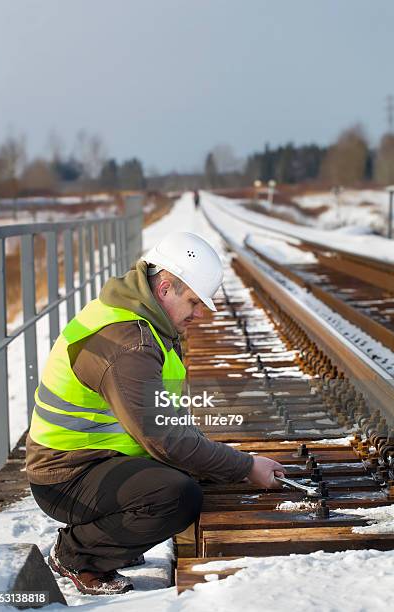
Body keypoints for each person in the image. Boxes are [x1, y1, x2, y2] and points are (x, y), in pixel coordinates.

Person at [26, 231, 285, 595]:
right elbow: (167, 441)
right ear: (165, 288)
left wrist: (229, 465)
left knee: (204, 470)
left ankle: (111, 540)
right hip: (64, 477)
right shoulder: (128, 343)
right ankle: (78, 553)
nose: (197, 314)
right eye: (194, 303)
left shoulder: (147, 322)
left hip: (98, 460)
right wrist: (245, 466)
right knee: (177, 496)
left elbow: (170, 421)